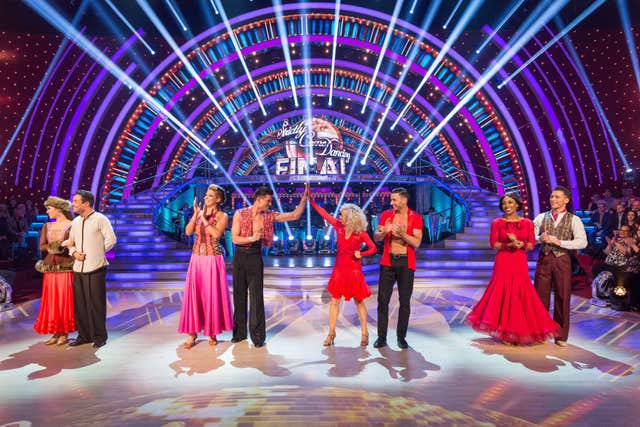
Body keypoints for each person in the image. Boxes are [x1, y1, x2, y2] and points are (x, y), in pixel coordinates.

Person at [466, 194, 559, 345]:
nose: (506, 205)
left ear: (517, 205)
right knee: (502, 294)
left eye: (510, 202)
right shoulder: (497, 223)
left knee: (519, 293)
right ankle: (505, 332)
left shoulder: (527, 223)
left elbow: (530, 245)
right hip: (503, 260)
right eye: (503, 203)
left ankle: (519, 330)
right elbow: (493, 244)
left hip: (519, 260)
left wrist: (520, 244)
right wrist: (508, 245)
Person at [230, 184, 308, 347]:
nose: (269, 203)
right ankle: (239, 333)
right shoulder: (240, 213)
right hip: (239, 255)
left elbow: (294, 215)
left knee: (256, 296)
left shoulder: (269, 215)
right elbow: (235, 239)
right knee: (239, 295)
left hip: (255, 256)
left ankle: (257, 336)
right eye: (268, 200)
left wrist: (304, 198)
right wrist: (251, 238)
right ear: (258, 200)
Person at [309, 196, 377, 346]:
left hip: (354, 270)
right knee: (334, 301)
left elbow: (373, 248)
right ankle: (331, 333)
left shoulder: (361, 233)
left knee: (359, 301)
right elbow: (324, 214)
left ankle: (364, 333)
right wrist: (311, 200)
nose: (340, 216)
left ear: (351, 217)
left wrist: (362, 253)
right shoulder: (339, 226)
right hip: (339, 269)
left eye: (342, 214)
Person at [178, 184, 233, 349]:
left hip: (212, 258)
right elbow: (188, 232)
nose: (206, 198)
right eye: (206, 195)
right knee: (194, 295)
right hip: (196, 258)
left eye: (210, 196)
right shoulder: (199, 213)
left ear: (218, 199)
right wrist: (195, 215)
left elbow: (216, 234)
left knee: (211, 295)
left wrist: (202, 218)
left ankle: (212, 331)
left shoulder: (223, 216)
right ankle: (192, 333)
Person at [534, 186, 588, 347]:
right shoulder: (541, 217)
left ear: (566, 200)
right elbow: (530, 235)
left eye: (557, 197)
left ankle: (561, 335)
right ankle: (540, 331)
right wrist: (539, 238)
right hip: (544, 258)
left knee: (562, 296)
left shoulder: (574, 219)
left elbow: (582, 242)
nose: (553, 199)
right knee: (540, 296)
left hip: (562, 259)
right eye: (552, 196)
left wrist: (560, 242)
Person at [64, 190, 117, 348]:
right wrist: (74, 253)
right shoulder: (75, 222)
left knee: (96, 304)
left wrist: (97, 254)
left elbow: (111, 240)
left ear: (86, 204)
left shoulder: (101, 219)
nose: (73, 204)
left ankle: (99, 336)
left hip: (96, 267)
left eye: (76, 201)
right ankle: (84, 335)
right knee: (79, 304)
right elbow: (70, 243)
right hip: (78, 268)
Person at [373, 187, 423, 349]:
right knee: (382, 301)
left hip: (406, 263)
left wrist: (402, 234)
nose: (391, 202)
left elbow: (416, 242)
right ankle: (382, 337)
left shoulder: (415, 217)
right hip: (388, 263)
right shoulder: (387, 215)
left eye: (394, 199)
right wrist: (384, 231)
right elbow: (377, 236)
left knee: (405, 303)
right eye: (391, 199)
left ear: (404, 199)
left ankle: (401, 337)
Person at [33, 196, 76, 345]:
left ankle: (64, 332)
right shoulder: (47, 226)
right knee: (52, 299)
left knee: (64, 299)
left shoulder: (72, 225)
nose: (47, 211)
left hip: (66, 265)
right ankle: (55, 332)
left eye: (49, 208)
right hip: (51, 266)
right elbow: (42, 245)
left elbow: (76, 243)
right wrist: (53, 247)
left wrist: (64, 247)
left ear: (58, 209)